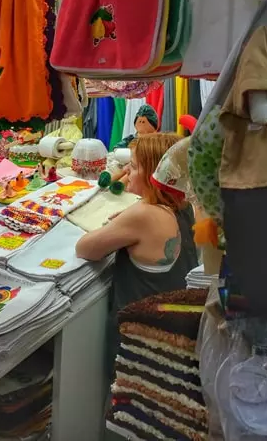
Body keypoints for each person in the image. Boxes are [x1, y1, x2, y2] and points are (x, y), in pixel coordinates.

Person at [74, 132, 198, 377]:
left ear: (154, 174)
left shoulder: (144, 214)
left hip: (139, 343)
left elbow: (85, 248)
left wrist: (123, 223)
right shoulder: (185, 206)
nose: (127, 172)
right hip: (173, 336)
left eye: (133, 166)